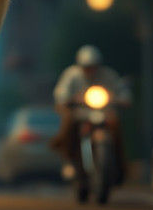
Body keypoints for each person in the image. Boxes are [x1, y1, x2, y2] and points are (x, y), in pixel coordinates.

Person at [51, 45, 131, 186]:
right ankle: (68, 160)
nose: (90, 70)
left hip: (102, 112)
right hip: (79, 113)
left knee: (115, 125)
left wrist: (121, 99)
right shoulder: (72, 75)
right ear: (80, 66)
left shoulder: (108, 75)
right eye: (87, 67)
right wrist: (70, 99)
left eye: (93, 66)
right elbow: (61, 92)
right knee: (68, 123)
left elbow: (121, 90)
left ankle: (120, 164)